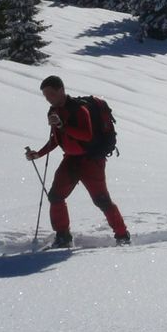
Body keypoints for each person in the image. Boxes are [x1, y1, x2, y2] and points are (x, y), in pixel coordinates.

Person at [24, 75, 130, 248]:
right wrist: (39, 154)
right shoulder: (53, 112)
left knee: (102, 200)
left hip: (91, 160)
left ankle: (122, 235)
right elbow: (57, 140)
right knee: (55, 196)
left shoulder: (80, 110)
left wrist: (62, 126)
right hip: (71, 160)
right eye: (45, 95)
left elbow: (86, 135)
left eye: (50, 94)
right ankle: (63, 237)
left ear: (61, 90)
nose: (47, 98)